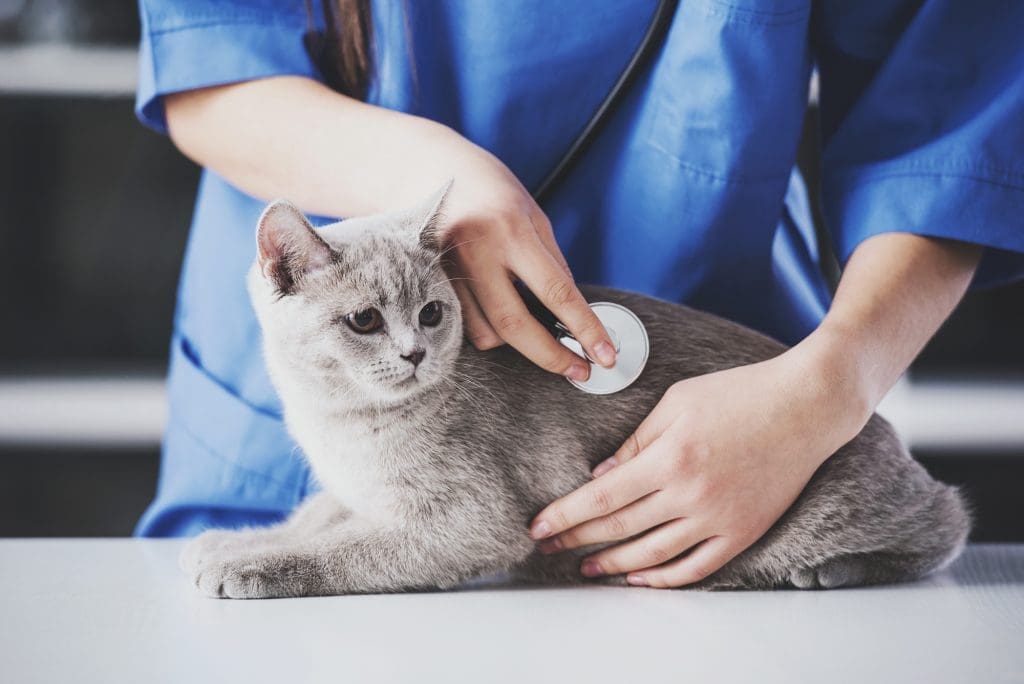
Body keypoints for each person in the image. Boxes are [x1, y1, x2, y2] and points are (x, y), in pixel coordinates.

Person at [135, 0, 1023, 588]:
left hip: (726, 420)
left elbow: (948, 126)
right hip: (312, 382)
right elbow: (210, 59)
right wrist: (438, 182)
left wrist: (830, 386)